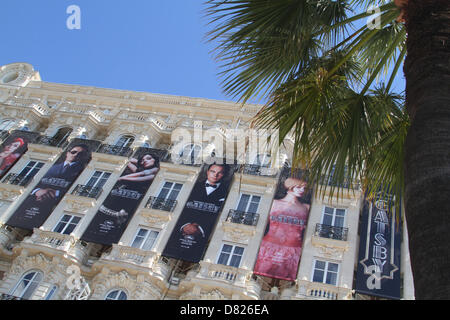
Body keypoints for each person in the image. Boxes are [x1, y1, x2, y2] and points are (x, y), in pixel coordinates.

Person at [254, 177, 311, 280]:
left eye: (304, 188)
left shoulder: (306, 208)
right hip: (268, 248)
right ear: (290, 187)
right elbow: (262, 225)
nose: (302, 190)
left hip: (293, 251)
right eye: (299, 187)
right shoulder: (274, 203)